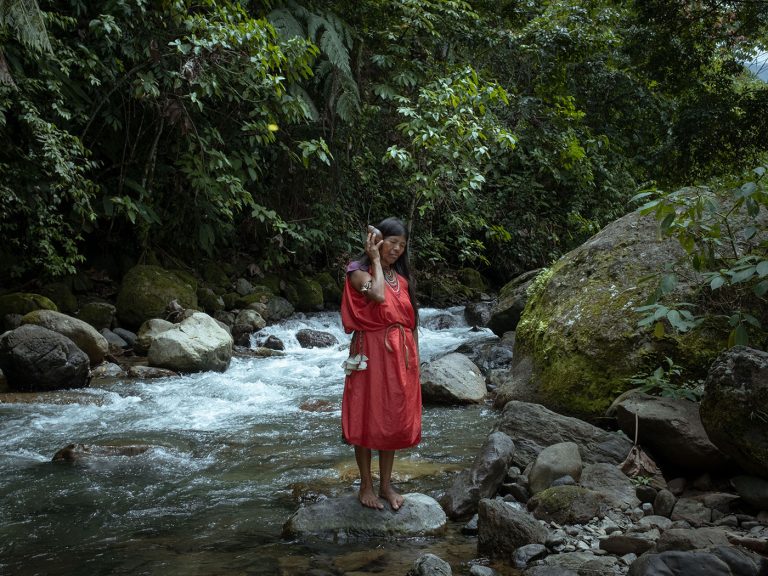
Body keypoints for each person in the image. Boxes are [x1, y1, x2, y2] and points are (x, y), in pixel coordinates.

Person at [340, 217, 421, 511]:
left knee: (393, 416)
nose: (397, 249)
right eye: (393, 242)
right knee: (366, 413)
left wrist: (416, 364)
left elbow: (411, 324)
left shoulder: (401, 280)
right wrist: (373, 258)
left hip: (401, 355)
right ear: (378, 240)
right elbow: (376, 295)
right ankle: (366, 485)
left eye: (403, 245)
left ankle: (386, 485)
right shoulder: (357, 271)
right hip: (370, 353)